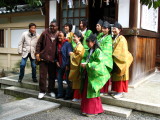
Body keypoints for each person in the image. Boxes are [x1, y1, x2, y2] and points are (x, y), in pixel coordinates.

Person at [80, 34, 111, 117]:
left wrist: (88, 64)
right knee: (87, 91)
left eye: (88, 42)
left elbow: (99, 63)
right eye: (86, 42)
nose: (87, 44)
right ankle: (88, 109)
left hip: (93, 74)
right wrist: (83, 62)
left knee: (93, 91)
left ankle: (93, 111)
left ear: (93, 42)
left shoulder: (98, 51)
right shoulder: (88, 50)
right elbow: (84, 58)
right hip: (88, 73)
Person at [36, 19, 59, 99]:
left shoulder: (58, 34)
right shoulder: (45, 33)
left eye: (53, 26)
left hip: (53, 59)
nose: (51, 27)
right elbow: (39, 43)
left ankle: (51, 90)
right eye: (50, 26)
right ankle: (42, 91)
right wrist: (37, 53)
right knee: (42, 76)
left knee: (52, 76)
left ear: (57, 27)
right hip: (44, 58)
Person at [111, 22, 133, 99]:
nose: (113, 30)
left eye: (115, 28)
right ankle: (117, 91)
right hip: (116, 59)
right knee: (116, 76)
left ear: (119, 30)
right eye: (113, 28)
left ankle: (120, 92)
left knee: (121, 75)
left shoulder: (122, 38)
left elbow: (120, 50)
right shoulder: (115, 38)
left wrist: (113, 54)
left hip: (121, 60)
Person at [56, 31, 73, 100]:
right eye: (58, 36)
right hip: (59, 65)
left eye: (61, 36)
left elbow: (70, 56)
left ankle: (68, 95)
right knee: (59, 80)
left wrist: (67, 65)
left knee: (67, 81)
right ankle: (60, 94)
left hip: (66, 65)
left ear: (64, 37)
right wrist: (56, 61)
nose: (59, 37)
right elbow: (55, 54)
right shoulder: (57, 44)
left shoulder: (67, 44)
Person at [69, 31, 85, 102]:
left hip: (78, 66)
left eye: (75, 37)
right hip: (76, 66)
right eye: (73, 37)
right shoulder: (77, 45)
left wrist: (72, 54)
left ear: (79, 38)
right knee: (76, 81)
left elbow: (78, 56)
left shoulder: (80, 46)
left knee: (78, 82)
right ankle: (76, 96)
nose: (73, 38)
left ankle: (77, 97)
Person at [98, 21, 113, 96]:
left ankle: (104, 91)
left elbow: (107, 49)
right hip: (100, 57)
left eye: (105, 28)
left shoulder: (109, 38)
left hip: (105, 58)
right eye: (103, 28)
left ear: (108, 29)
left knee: (105, 74)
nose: (103, 30)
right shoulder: (100, 36)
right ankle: (100, 89)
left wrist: (99, 48)